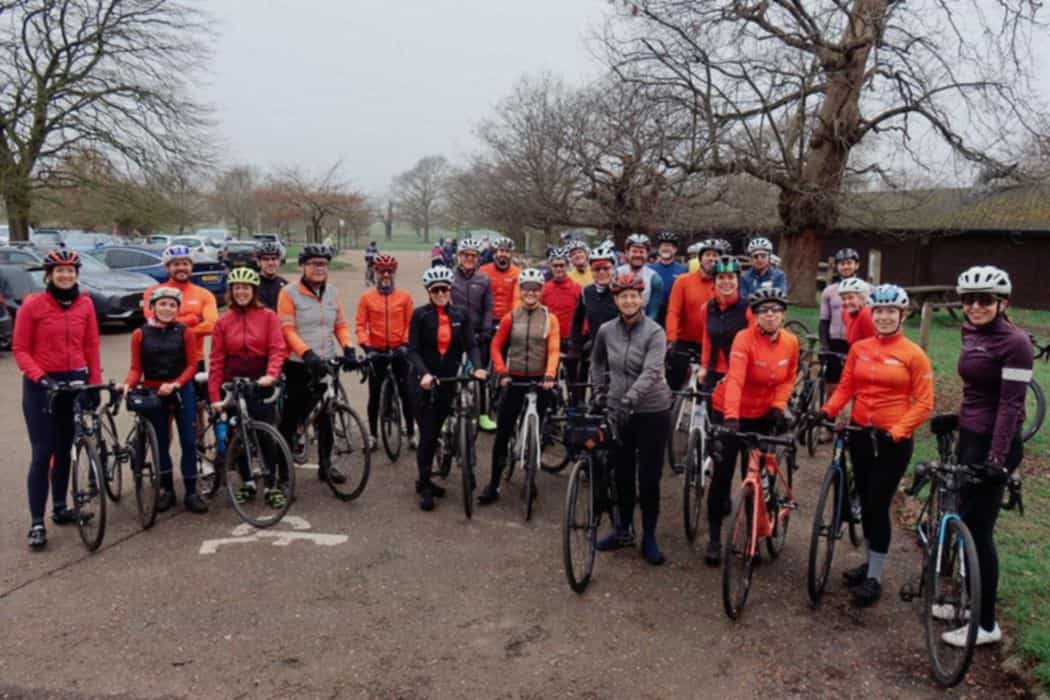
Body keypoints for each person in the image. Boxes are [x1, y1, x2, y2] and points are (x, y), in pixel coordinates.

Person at [817, 284, 934, 606]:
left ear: (902, 315)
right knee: (866, 503)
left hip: (892, 442)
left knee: (877, 505)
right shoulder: (860, 348)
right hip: (860, 434)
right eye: (879, 311)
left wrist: (898, 430)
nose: (883, 317)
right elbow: (846, 387)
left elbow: (924, 403)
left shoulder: (913, 354)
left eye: (890, 311)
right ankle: (870, 562)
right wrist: (826, 411)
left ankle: (875, 578)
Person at [942, 266, 1032, 647]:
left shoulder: (1016, 343)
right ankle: (969, 602)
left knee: (980, 530)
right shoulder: (971, 332)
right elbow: (977, 392)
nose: (975, 306)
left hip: (997, 443)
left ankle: (986, 623)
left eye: (984, 300)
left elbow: (1010, 406)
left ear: (1003, 302)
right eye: (968, 299)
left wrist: (997, 460)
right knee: (966, 520)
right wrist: (956, 420)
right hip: (971, 437)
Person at [14, 248, 102, 550]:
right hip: (42, 386)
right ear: (49, 275)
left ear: (76, 274)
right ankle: (37, 521)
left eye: (70, 271)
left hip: (74, 380)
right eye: (59, 271)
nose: (65, 275)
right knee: (43, 452)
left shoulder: (86, 304)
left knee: (65, 449)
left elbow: (91, 345)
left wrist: (93, 384)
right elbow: (20, 349)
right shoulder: (33, 305)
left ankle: (61, 507)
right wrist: (40, 377)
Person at [704, 287, 797, 565]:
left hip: (763, 415)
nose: (770, 315)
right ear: (754, 315)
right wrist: (731, 417)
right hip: (730, 411)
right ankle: (714, 539)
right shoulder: (744, 339)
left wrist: (778, 405)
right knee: (722, 475)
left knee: (755, 477)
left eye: (775, 309)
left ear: (783, 314)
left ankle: (752, 539)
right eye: (763, 310)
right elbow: (735, 379)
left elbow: (788, 378)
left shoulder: (791, 342)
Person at [590, 271, 673, 565]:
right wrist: (600, 391)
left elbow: (652, 371)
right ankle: (623, 529)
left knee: (648, 478)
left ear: (642, 299)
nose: (629, 301)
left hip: (652, 411)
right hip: (618, 410)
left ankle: (649, 536)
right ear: (615, 300)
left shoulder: (655, 332)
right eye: (623, 296)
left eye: (634, 296)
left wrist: (630, 398)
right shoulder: (606, 330)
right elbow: (597, 361)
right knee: (622, 474)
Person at [406, 266, 487, 511]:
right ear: (429, 292)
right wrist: (424, 373)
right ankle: (424, 484)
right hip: (424, 382)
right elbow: (412, 350)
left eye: (445, 289)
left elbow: (471, 345)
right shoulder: (420, 315)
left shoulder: (461, 314)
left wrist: (478, 367)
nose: (441, 294)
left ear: (450, 290)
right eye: (436, 290)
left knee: (449, 424)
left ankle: (458, 464)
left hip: (449, 380)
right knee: (429, 435)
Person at [276, 243, 358, 485]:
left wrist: (348, 347)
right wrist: (307, 354)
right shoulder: (289, 293)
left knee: (326, 418)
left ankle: (326, 466)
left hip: (326, 363)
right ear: (303, 266)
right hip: (299, 364)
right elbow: (287, 330)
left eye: (323, 264)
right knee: (291, 419)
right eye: (314, 264)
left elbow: (339, 324)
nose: (319, 268)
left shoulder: (332, 292)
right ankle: (283, 474)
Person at [479, 268, 561, 504]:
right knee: (503, 433)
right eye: (526, 288)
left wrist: (549, 375)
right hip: (514, 380)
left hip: (541, 381)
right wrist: (502, 371)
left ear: (541, 291)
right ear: (520, 290)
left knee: (538, 432)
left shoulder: (550, 319)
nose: (531, 293)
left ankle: (530, 474)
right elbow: (496, 347)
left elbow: (554, 349)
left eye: (535, 289)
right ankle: (494, 484)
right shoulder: (511, 317)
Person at [208, 267, 288, 507]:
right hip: (233, 383)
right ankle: (248, 482)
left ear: (254, 291)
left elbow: (277, 349)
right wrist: (215, 396)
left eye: (246, 288)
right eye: (237, 288)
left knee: (266, 435)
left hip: (260, 381)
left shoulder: (268, 316)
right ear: (231, 291)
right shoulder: (223, 321)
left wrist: (271, 375)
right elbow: (216, 360)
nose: (241, 292)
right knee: (238, 435)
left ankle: (271, 485)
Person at [124, 287, 208, 515]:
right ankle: (167, 490)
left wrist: (176, 383)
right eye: (163, 304)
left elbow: (192, 365)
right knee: (160, 442)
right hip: (154, 392)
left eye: (172, 305)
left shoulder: (185, 332)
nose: (167, 309)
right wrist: (127, 384)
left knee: (189, 441)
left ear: (177, 309)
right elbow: (136, 368)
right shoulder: (139, 334)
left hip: (181, 390)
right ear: (153, 307)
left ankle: (191, 491)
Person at [356, 254, 417, 450]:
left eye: (389, 271)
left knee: (406, 393)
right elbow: (360, 325)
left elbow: (411, 324)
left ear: (394, 273)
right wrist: (366, 346)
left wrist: (405, 344)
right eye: (382, 271)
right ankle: (373, 435)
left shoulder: (404, 297)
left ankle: (411, 433)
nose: (386, 275)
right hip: (377, 351)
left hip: (400, 350)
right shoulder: (367, 297)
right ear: (375, 272)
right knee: (374, 395)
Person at [142, 245, 219, 373]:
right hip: (160, 358)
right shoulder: (152, 292)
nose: (181, 267)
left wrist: (174, 330)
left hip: (195, 358)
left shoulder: (205, 294)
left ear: (191, 267)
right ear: (167, 267)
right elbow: (153, 321)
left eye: (185, 264)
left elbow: (212, 326)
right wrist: (192, 319)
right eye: (176, 264)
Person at [451, 238, 496, 430]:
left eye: (473, 255)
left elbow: (488, 308)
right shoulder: (450, 277)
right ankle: (447, 415)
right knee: (450, 374)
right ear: (459, 256)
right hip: (455, 332)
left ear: (478, 258)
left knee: (481, 373)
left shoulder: (484, 279)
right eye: (465, 255)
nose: (469, 258)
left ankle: (484, 414)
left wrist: (486, 330)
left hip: (478, 334)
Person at [665, 239, 719, 390]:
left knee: (708, 389)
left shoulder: (723, 284)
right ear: (700, 258)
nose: (711, 258)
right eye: (708, 254)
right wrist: (671, 338)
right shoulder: (683, 281)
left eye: (715, 255)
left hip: (711, 343)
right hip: (684, 340)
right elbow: (673, 311)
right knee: (673, 386)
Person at [697, 256, 754, 390]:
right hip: (714, 369)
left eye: (731, 277)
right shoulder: (707, 308)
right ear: (714, 281)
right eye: (721, 277)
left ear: (738, 280)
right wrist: (704, 366)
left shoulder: (749, 309)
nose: (726, 281)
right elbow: (707, 339)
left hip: (740, 371)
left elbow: (754, 344)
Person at [569, 244, 619, 380]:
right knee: (597, 388)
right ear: (591, 270)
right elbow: (577, 320)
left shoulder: (621, 290)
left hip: (621, 352)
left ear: (613, 269)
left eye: (606, 268)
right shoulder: (587, 292)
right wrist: (574, 346)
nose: (601, 272)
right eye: (596, 269)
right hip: (597, 352)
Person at [819, 248, 863, 393]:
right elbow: (824, 321)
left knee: (857, 386)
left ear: (857, 265)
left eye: (849, 263)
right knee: (832, 385)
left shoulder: (867, 290)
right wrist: (825, 345)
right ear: (837, 266)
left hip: (857, 342)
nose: (845, 267)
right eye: (842, 264)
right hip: (835, 342)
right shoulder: (829, 291)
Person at [542, 247, 583, 389]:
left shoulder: (577, 289)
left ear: (568, 266)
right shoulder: (544, 289)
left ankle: (575, 399)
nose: (559, 269)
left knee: (573, 378)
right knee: (549, 377)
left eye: (562, 265)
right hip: (550, 338)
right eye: (555, 266)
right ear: (550, 267)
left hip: (570, 340)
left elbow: (583, 316)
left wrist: (580, 337)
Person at [479, 236, 521, 332]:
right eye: (501, 250)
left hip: (508, 318)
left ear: (511, 254)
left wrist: (514, 319)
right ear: (495, 252)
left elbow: (517, 299)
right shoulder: (483, 270)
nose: (504, 254)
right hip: (487, 318)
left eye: (507, 251)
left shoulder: (517, 273)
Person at [617, 233, 663, 320]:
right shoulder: (617, 273)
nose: (638, 255)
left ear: (647, 254)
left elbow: (653, 311)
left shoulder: (655, 279)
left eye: (641, 252)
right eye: (634, 251)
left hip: (643, 321)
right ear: (627, 252)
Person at [649, 231, 688, 326]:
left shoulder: (683, 269)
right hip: (654, 315)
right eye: (663, 245)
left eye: (669, 245)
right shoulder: (650, 269)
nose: (666, 248)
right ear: (659, 249)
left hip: (675, 314)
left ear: (675, 250)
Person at [841, 277, 876, 345]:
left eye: (851, 297)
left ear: (862, 298)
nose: (847, 302)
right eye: (843, 299)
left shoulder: (866, 314)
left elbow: (873, 342)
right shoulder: (845, 314)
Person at [256, 241, 288, 312]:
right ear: (258, 262)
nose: (270, 263)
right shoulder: (252, 285)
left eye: (274, 259)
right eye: (265, 259)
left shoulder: (286, 286)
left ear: (279, 261)